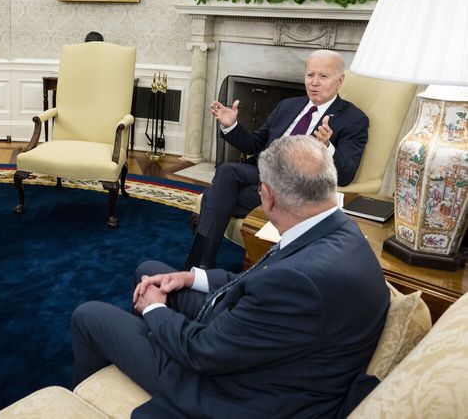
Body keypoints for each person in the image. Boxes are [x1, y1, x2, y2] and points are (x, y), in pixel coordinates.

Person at [72, 135, 389, 418]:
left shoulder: (298, 283)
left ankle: (88, 404)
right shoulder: (339, 227)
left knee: (89, 316)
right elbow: (263, 278)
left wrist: (155, 310)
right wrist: (190, 277)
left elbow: (202, 352)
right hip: (265, 348)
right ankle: (154, 339)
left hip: (238, 391)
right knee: (150, 270)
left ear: (268, 196)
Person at [187, 49, 368, 270]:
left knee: (215, 196)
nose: (314, 82)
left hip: (293, 187)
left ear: (340, 81)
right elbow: (255, 144)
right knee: (228, 170)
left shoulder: (354, 119)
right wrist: (231, 125)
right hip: (260, 173)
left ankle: (196, 267)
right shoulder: (288, 105)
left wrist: (327, 148)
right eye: (310, 75)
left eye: (323, 76)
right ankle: (201, 267)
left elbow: (347, 174)